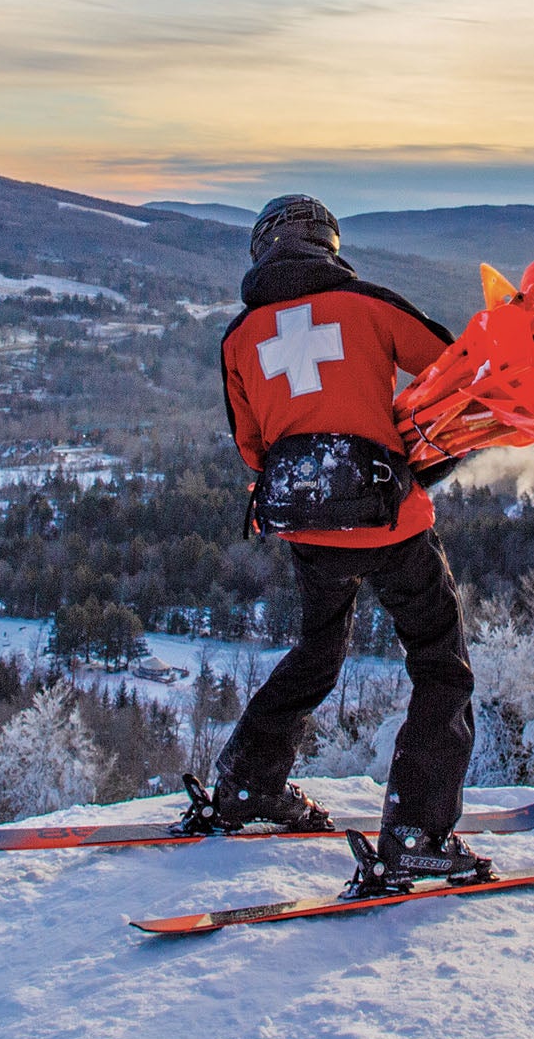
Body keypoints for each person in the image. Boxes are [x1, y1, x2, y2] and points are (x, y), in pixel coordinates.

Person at [182, 195, 488, 896]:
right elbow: (456, 373)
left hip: (308, 532)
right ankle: (417, 834)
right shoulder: (370, 306)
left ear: (262, 251)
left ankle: (249, 785)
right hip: (393, 523)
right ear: (328, 243)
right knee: (441, 667)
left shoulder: (239, 339)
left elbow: (253, 453)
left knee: (317, 653)